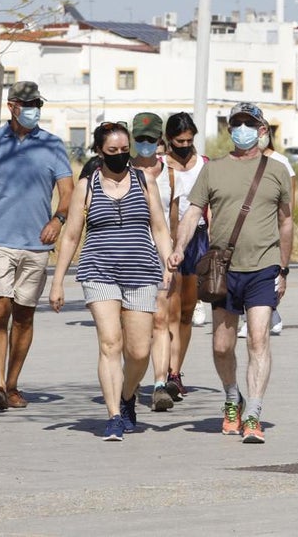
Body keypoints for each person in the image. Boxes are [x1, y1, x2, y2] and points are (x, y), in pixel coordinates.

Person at [168, 102, 293, 443]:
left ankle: (253, 412)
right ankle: (231, 398)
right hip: (222, 270)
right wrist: (179, 247)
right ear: (229, 129)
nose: (242, 129)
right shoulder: (214, 169)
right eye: (236, 123)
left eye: (249, 124)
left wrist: (284, 267)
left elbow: (286, 220)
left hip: (263, 268)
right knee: (223, 346)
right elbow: (193, 212)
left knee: (257, 339)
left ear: (262, 130)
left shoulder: (277, 169)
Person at [49, 121, 172, 441]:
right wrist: (58, 281)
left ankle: (128, 395)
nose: (119, 156)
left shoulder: (144, 181)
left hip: (142, 272)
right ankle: (114, 415)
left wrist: (168, 262)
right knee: (109, 343)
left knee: (139, 351)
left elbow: (159, 226)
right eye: (112, 151)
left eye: (124, 151)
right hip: (98, 271)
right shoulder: (86, 186)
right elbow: (72, 235)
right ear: (99, 152)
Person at [0, 81, 74, 411]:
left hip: (36, 246)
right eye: (28, 104)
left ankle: (13, 384)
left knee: (24, 317)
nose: (34, 110)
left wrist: (57, 220)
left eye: (37, 104)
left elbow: (68, 193)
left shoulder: (53, 145)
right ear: (12, 106)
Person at [157, 111, 210, 403]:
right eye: (179, 140)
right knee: (171, 310)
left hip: (198, 240)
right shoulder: (161, 166)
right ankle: (164, 371)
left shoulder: (203, 165)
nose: (185, 145)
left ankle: (176, 371)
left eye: (190, 140)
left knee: (188, 309)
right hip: (169, 240)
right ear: (169, 139)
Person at [129, 111, 177, 411]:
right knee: (131, 325)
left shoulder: (170, 171)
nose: (145, 144)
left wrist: (172, 254)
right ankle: (130, 383)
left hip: (159, 254)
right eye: (140, 139)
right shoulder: (121, 169)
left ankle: (160, 384)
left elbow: (172, 214)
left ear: (160, 140)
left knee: (161, 319)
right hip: (129, 254)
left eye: (150, 139)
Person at [235, 133, 295, 339]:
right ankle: (261, 317)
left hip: (270, 227)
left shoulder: (281, 162)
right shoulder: (238, 162)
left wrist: (282, 226)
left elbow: (288, 203)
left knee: (267, 275)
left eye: (262, 130)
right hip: (244, 228)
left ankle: (267, 315)